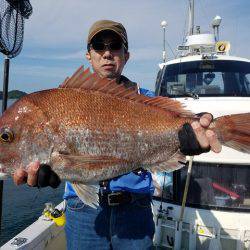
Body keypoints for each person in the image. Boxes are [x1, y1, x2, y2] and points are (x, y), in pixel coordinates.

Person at [13, 20, 222, 250]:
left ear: (126, 54)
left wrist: (193, 136)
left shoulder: (147, 100)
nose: (107, 53)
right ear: (88, 55)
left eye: (114, 46)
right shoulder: (65, 99)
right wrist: (49, 169)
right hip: (82, 212)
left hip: (135, 210)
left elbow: (178, 126)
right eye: (99, 46)